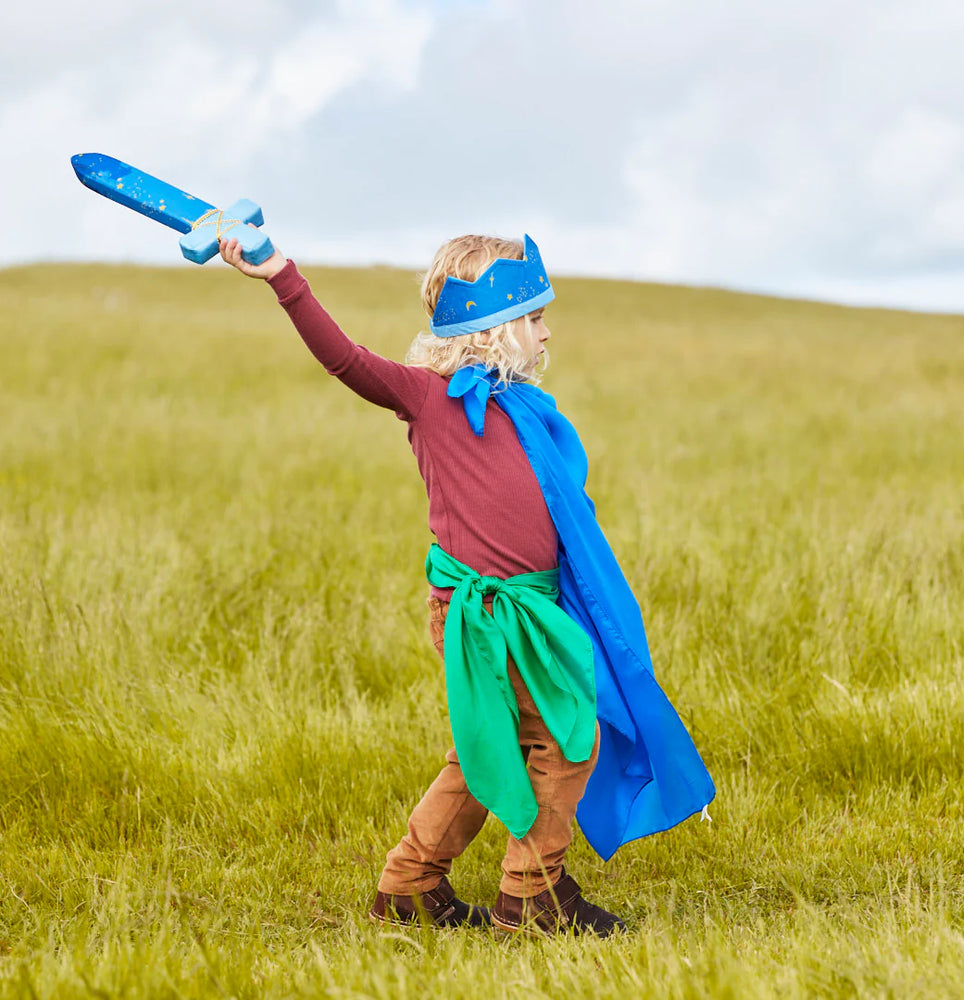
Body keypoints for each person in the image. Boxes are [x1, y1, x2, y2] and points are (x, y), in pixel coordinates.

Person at [218, 232, 715, 937]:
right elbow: (346, 361)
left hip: (534, 606)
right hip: (483, 612)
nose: (546, 332)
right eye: (535, 318)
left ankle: (411, 885)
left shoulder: (524, 409)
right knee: (570, 743)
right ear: (497, 325)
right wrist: (282, 278)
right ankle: (532, 897)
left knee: (489, 747)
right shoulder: (427, 399)